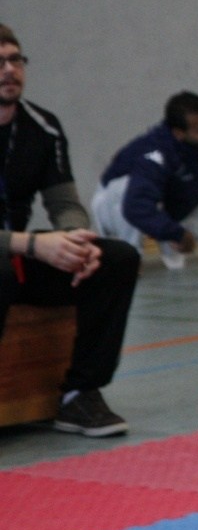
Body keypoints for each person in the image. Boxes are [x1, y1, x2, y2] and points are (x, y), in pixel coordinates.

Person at [0, 24, 142, 437]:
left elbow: (64, 204)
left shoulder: (43, 127)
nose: (9, 70)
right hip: (13, 255)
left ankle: (80, 395)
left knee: (117, 259)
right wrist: (34, 245)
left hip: (20, 254)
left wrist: (77, 241)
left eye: (15, 60)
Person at [91, 91, 198, 270]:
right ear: (179, 133)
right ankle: (128, 260)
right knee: (125, 191)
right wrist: (176, 234)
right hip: (119, 205)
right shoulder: (154, 154)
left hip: (174, 205)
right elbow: (135, 207)